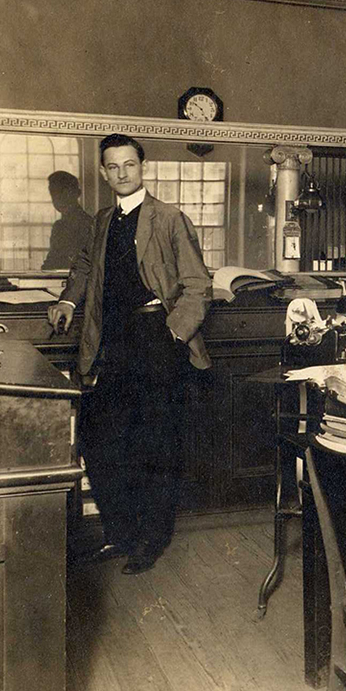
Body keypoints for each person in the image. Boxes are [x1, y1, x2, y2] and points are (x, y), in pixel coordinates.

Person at [47, 134, 212, 574]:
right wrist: (68, 301)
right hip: (110, 341)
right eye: (113, 167)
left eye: (129, 166)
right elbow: (84, 266)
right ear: (103, 173)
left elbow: (198, 286)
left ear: (142, 167)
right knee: (99, 441)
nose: (122, 173)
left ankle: (149, 541)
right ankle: (119, 535)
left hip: (157, 338)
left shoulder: (169, 218)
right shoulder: (101, 221)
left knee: (154, 446)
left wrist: (172, 336)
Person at [42, 171, 93, 270]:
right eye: (53, 193)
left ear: (76, 193)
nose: (58, 198)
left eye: (63, 192)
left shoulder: (88, 224)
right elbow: (52, 262)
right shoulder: (59, 226)